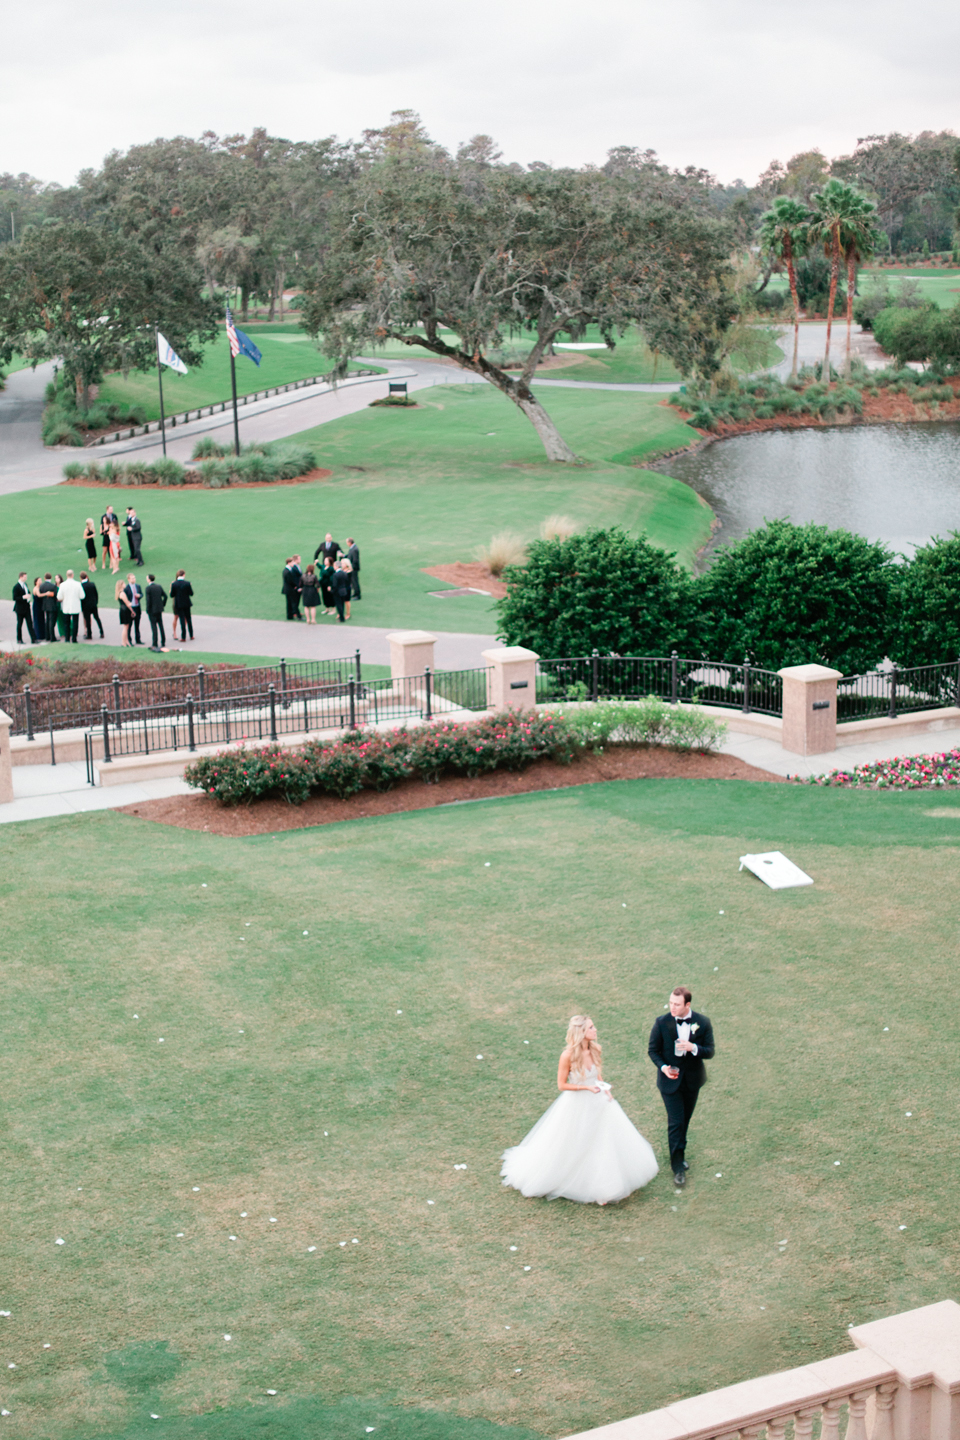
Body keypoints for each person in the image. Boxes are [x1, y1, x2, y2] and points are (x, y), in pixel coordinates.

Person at [500, 1015, 658, 1204]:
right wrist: (586, 1088)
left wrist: (604, 1089)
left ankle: (604, 1187)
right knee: (575, 1141)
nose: (595, 1029)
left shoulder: (594, 1049)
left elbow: (597, 1075)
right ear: (581, 1032)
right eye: (591, 1027)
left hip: (599, 1101)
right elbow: (561, 1085)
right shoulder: (567, 1056)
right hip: (577, 1104)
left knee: (603, 1141)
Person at [648, 986, 715, 1188]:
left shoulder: (702, 1023)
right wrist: (664, 1067)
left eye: (677, 1004)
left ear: (688, 1005)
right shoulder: (662, 1022)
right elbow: (653, 1051)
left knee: (685, 1120)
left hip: (693, 1080)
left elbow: (710, 1051)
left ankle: (680, 1154)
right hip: (670, 1081)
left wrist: (693, 1047)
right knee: (676, 1122)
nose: (672, 1007)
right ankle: (677, 1167)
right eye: (670, 1003)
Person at [57, 570, 84, 644]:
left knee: (66, 623)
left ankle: (67, 638)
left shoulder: (62, 585)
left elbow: (59, 597)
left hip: (66, 607)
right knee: (75, 623)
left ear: (66, 575)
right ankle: (74, 638)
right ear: (72, 575)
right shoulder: (78, 584)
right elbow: (82, 596)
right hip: (75, 606)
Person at [144, 574, 168, 650]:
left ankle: (155, 643)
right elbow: (165, 596)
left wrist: (147, 609)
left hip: (152, 610)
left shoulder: (148, 588)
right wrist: (162, 604)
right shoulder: (159, 586)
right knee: (161, 625)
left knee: (154, 626)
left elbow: (148, 600)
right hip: (159, 609)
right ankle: (163, 641)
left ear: (148, 579)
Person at [12, 573, 36, 645]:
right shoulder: (16, 587)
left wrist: (28, 595)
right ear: (21, 577)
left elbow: (27, 592)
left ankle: (33, 639)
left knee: (30, 623)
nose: (26, 578)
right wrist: (23, 597)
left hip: (26, 607)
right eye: (25, 577)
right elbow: (15, 598)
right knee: (20, 624)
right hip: (20, 608)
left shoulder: (25, 585)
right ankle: (19, 639)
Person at [170, 570, 194, 640]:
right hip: (187, 604)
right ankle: (191, 635)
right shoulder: (187, 583)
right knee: (189, 619)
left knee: (182, 620)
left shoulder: (174, 584)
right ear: (183, 575)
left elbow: (172, 595)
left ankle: (183, 637)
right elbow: (191, 593)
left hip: (179, 604)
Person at [80, 572, 104, 640]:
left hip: (85, 606)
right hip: (93, 604)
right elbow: (96, 594)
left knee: (87, 620)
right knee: (97, 618)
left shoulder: (81, 586)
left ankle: (89, 634)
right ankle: (101, 632)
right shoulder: (92, 584)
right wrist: (95, 602)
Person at [122, 574, 143, 644]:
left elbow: (141, 594)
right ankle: (129, 640)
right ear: (128, 579)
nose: (134, 579)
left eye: (134, 578)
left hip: (137, 607)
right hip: (131, 608)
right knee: (130, 625)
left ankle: (138, 639)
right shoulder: (126, 588)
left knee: (137, 625)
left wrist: (139, 595)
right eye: (132, 578)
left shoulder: (138, 586)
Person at [39, 573, 58, 643]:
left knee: (47, 620)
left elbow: (41, 593)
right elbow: (56, 595)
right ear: (51, 577)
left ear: (44, 578)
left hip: (45, 605)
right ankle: (52, 637)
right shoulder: (53, 586)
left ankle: (47, 636)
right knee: (51, 621)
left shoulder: (42, 586)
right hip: (52, 605)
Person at [282, 556, 302, 620]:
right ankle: (299, 616)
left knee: (289, 603)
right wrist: (295, 586)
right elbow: (290, 581)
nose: (293, 563)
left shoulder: (286, 570)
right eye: (292, 562)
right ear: (288, 562)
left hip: (287, 590)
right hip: (290, 590)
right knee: (294, 603)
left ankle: (289, 616)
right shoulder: (287, 571)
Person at [117, 578, 134, 647]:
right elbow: (127, 603)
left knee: (127, 627)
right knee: (125, 627)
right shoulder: (122, 593)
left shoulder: (120, 593)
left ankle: (126, 641)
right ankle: (123, 642)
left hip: (124, 610)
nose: (125, 585)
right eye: (123, 583)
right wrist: (131, 606)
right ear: (121, 585)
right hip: (125, 611)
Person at [31, 578, 45, 646]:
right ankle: (38, 635)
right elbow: (39, 595)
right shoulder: (36, 588)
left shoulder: (40, 588)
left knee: (41, 619)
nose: (40, 582)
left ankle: (42, 634)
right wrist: (46, 593)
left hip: (40, 606)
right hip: (37, 606)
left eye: (41, 580)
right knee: (37, 620)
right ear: (36, 582)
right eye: (39, 580)